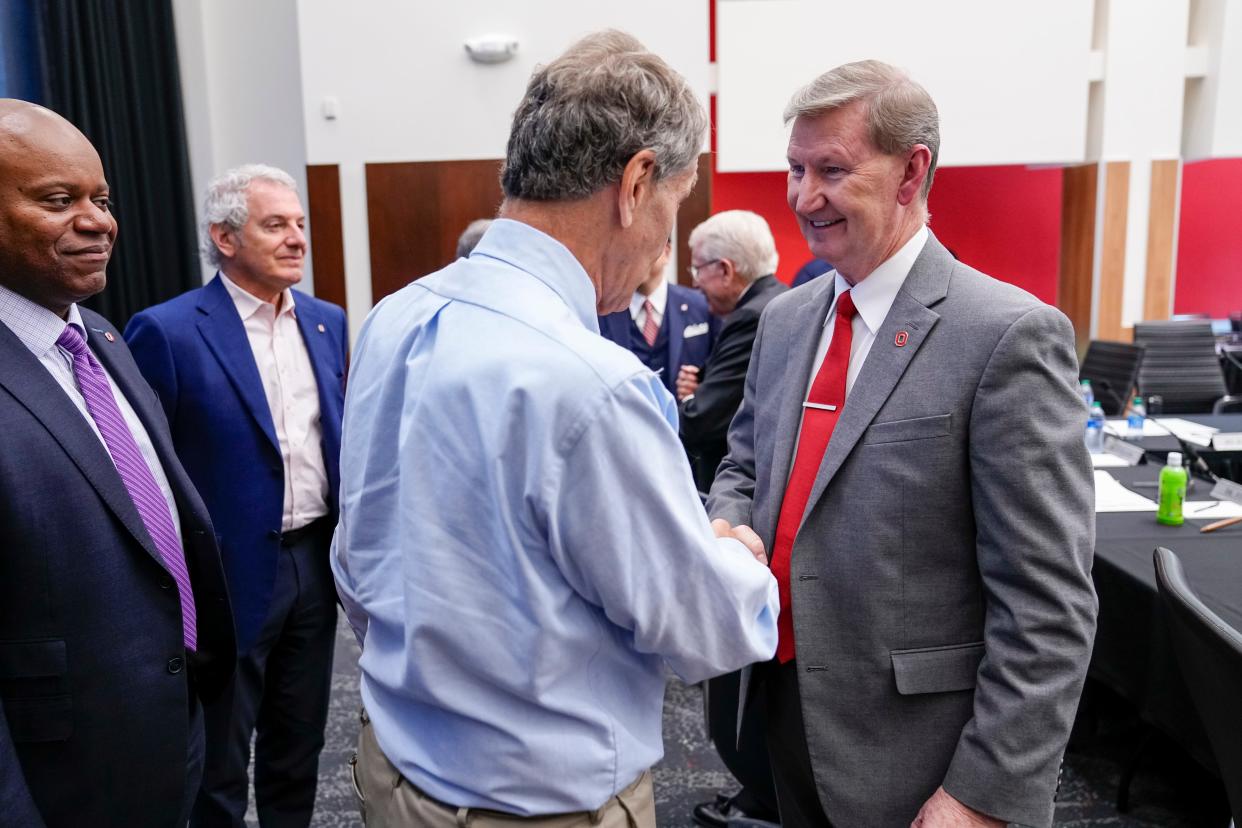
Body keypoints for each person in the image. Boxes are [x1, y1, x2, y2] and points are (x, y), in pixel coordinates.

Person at [332, 31, 778, 828]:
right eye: (675, 208)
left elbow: (359, 557)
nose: (664, 247)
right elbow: (701, 627)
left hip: (390, 767)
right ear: (637, 182)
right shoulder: (595, 384)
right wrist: (736, 560)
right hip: (536, 806)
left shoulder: (397, 316)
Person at [707, 60, 1097, 827]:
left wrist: (982, 794)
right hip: (780, 717)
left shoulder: (1006, 337)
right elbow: (743, 464)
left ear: (911, 172)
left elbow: (1047, 607)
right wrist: (733, 523)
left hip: (918, 761)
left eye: (832, 170)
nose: (803, 197)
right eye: (794, 168)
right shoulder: (786, 321)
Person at [0, 99, 235, 827]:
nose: (98, 221)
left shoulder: (100, 336)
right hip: (59, 778)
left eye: (101, 199)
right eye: (58, 200)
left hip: (172, 723)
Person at [125, 164, 348, 827]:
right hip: (221, 575)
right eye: (275, 224)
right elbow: (146, 471)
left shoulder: (327, 322)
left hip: (314, 561)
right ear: (224, 238)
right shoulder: (166, 331)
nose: (297, 239)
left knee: (299, 742)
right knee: (220, 759)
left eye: (300, 224)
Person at [676, 210, 786, 492]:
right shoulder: (780, 301)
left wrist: (690, 397)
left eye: (698, 269)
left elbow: (699, 421)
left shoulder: (751, 318)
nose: (695, 282)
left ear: (725, 269)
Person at [598, 238, 715, 399]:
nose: (634, 257)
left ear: (666, 252)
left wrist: (701, 386)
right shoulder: (602, 310)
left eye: (643, 247)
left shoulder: (701, 305)